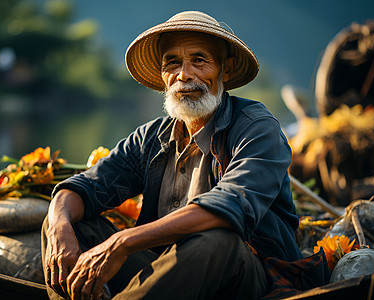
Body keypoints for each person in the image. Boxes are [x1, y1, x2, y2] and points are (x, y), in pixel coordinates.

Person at [42, 11, 328, 300]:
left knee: (216, 240)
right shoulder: (151, 137)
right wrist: (59, 225)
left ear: (225, 70)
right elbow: (85, 187)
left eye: (199, 60)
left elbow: (230, 207)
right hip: (167, 274)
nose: (184, 74)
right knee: (65, 222)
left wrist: (123, 241)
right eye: (173, 63)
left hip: (248, 276)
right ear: (163, 75)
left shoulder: (256, 127)